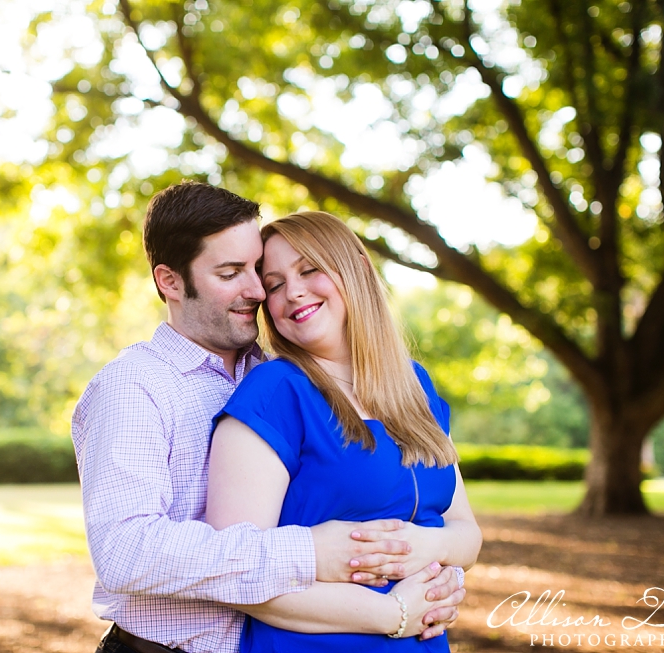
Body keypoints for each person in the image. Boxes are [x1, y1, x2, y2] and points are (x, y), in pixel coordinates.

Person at [72, 182, 466, 653]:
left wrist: (435, 572)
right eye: (231, 273)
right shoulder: (134, 386)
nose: (258, 290)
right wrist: (310, 553)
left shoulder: (276, 373)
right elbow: (125, 552)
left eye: (257, 272)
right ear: (170, 282)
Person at [207, 211, 482, 651]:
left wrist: (422, 545)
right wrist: (395, 615)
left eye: (309, 269)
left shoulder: (415, 386)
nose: (292, 292)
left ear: (357, 266)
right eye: (274, 284)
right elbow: (236, 572)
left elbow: (466, 533)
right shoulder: (275, 392)